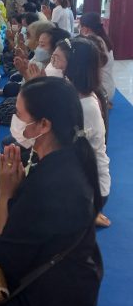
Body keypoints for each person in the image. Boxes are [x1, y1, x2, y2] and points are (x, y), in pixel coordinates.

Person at [0, 76, 103, 306]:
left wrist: (5, 195)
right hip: (73, 294)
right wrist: (20, 192)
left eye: (19, 114)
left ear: (44, 124)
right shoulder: (72, 158)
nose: (14, 120)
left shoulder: (50, 185)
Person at [48, 38, 111, 228]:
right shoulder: (75, 91)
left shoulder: (86, 105)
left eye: (57, 59)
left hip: (91, 188)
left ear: (73, 66)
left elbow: (60, 146)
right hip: (78, 173)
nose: (53, 64)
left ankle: (90, 212)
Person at [79, 12, 115, 104]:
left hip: (101, 92)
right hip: (108, 87)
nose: (79, 28)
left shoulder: (93, 43)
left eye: (80, 26)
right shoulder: (102, 39)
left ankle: (102, 104)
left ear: (85, 29)